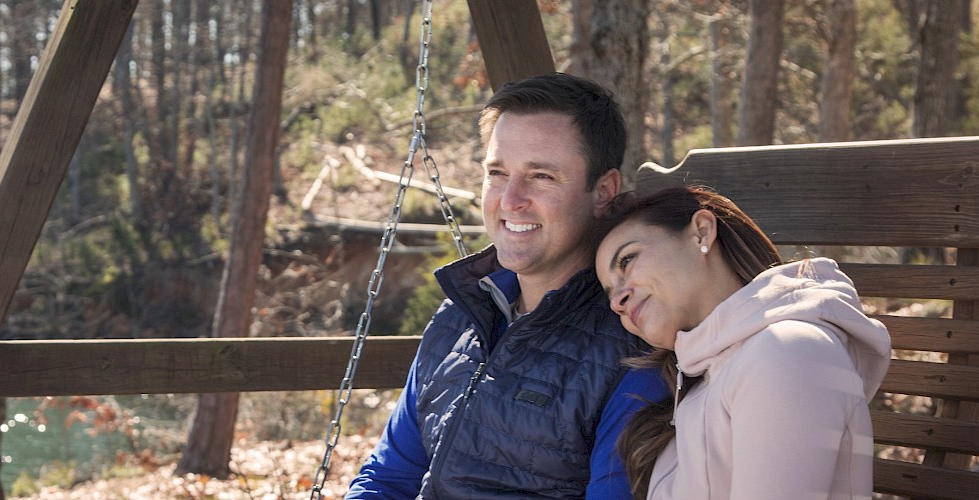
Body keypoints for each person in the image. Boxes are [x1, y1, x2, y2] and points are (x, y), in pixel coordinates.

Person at [345, 73, 662, 499]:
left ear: (603, 190)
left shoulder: (633, 344)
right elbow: (388, 477)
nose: (509, 200)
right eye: (497, 173)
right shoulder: (460, 313)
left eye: (541, 177)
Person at [592, 186, 892, 499]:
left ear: (701, 233)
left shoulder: (787, 351)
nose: (618, 301)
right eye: (610, 290)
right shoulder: (702, 379)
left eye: (627, 260)